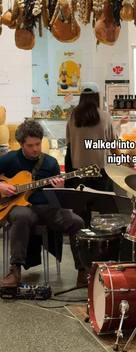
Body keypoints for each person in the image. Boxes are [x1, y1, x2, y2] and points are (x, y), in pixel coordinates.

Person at [0, 119, 86, 288]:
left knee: (77, 222)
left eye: (38, 144)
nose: (35, 149)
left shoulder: (50, 163)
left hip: (47, 208)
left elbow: (58, 200)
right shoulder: (9, 159)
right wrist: (1, 185)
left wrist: (59, 189)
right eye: (30, 145)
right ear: (21, 144)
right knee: (22, 215)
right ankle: (15, 270)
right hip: (20, 208)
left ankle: (83, 271)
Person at [66, 87, 124, 192]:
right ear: (97, 97)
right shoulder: (105, 116)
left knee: (81, 204)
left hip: (78, 172)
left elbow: (69, 144)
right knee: (102, 203)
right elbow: (113, 147)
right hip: (101, 171)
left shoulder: (73, 116)